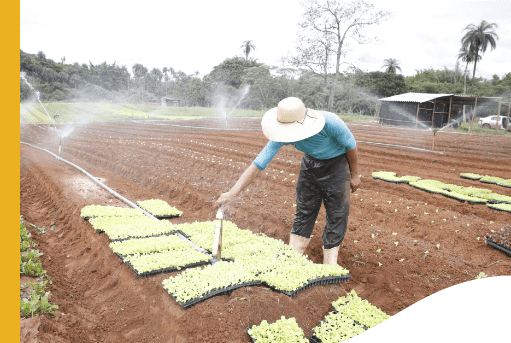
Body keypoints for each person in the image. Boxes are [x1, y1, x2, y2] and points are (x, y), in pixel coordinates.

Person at [214, 97, 360, 265]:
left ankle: (330, 264)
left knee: (337, 213)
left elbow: (351, 145)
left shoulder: (330, 123)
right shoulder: (283, 134)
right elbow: (259, 163)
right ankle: (293, 258)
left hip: (337, 164)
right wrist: (233, 192)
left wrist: (355, 174)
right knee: (304, 209)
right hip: (310, 163)